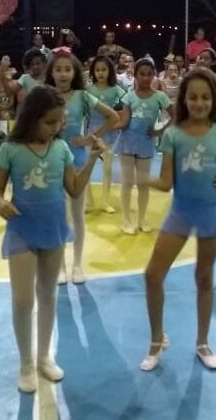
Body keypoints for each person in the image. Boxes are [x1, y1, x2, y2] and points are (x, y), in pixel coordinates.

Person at [140, 67, 216, 372]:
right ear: (183, 99)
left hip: (212, 212)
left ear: (214, 99)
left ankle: (203, 343)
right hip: (180, 212)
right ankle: (157, 340)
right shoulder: (173, 134)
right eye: (193, 97)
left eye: (205, 97)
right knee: (153, 275)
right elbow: (166, 182)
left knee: (204, 278)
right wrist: (143, 180)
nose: (199, 103)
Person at [0, 85, 106, 393]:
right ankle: (26, 363)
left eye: (60, 121)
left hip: (53, 229)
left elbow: (75, 189)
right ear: (31, 117)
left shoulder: (61, 149)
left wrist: (92, 159)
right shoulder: (10, 150)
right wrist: (0, 203)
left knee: (48, 295)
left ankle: (43, 357)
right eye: (50, 122)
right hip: (21, 230)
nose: (57, 127)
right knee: (22, 300)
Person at [45, 50, 119, 284]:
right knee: (57, 216)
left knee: (77, 215)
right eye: (58, 69)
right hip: (50, 161)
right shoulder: (45, 97)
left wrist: (91, 138)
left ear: (75, 72)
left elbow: (113, 117)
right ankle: (60, 267)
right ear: (51, 73)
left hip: (77, 161)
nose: (63, 74)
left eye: (67, 69)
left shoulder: (83, 96)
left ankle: (77, 265)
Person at [116, 57, 173, 234]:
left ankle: (142, 219)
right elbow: (124, 121)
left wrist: (159, 131)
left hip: (146, 144)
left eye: (149, 74)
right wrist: (107, 126)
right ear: (135, 75)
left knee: (143, 183)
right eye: (142, 74)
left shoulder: (160, 97)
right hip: (126, 143)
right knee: (127, 182)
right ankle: (126, 220)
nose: (146, 78)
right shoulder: (129, 96)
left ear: (154, 76)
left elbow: (175, 116)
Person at [85, 55, 127, 214]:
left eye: (104, 69)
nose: (100, 73)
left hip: (110, 132)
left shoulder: (116, 89)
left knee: (107, 169)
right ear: (93, 72)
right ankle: (88, 201)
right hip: (91, 133)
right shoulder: (87, 89)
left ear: (110, 71)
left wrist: (120, 117)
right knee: (86, 167)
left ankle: (105, 201)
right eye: (97, 70)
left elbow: (128, 104)